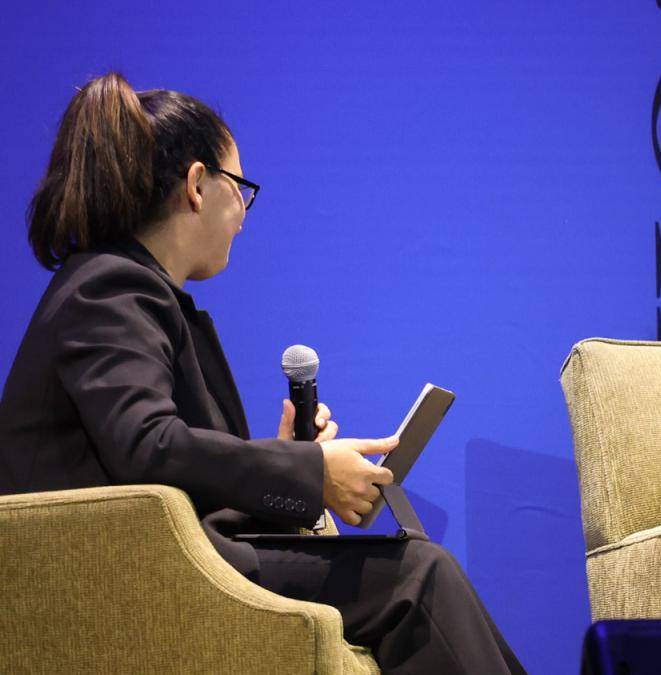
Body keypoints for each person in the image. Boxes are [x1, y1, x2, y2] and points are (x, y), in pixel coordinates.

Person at [0, 73, 524, 674]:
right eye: (240, 188)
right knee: (420, 576)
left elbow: (167, 483)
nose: (244, 216)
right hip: (120, 578)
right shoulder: (110, 289)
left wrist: (288, 459)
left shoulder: (132, 293)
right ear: (197, 185)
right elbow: (147, 448)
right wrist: (310, 473)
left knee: (422, 568)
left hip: (161, 556)